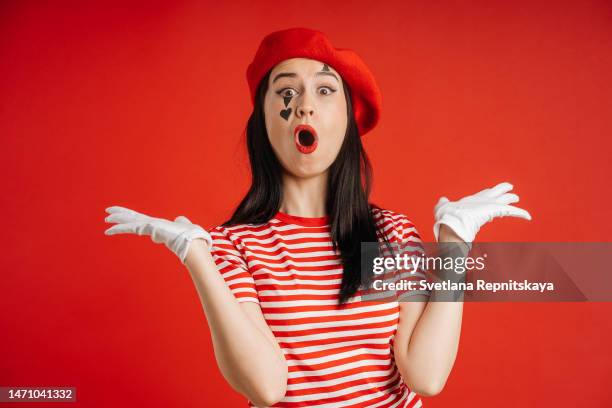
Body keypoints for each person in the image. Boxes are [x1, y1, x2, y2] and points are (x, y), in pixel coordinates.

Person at [104, 27, 532, 407]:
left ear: (347, 120)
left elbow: (426, 375)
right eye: (285, 92)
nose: (305, 105)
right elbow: (267, 387)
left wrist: (455, 243)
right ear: (265, 121)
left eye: (325, 91)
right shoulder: (233, 246)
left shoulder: (390, 234)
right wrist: (196, 256)